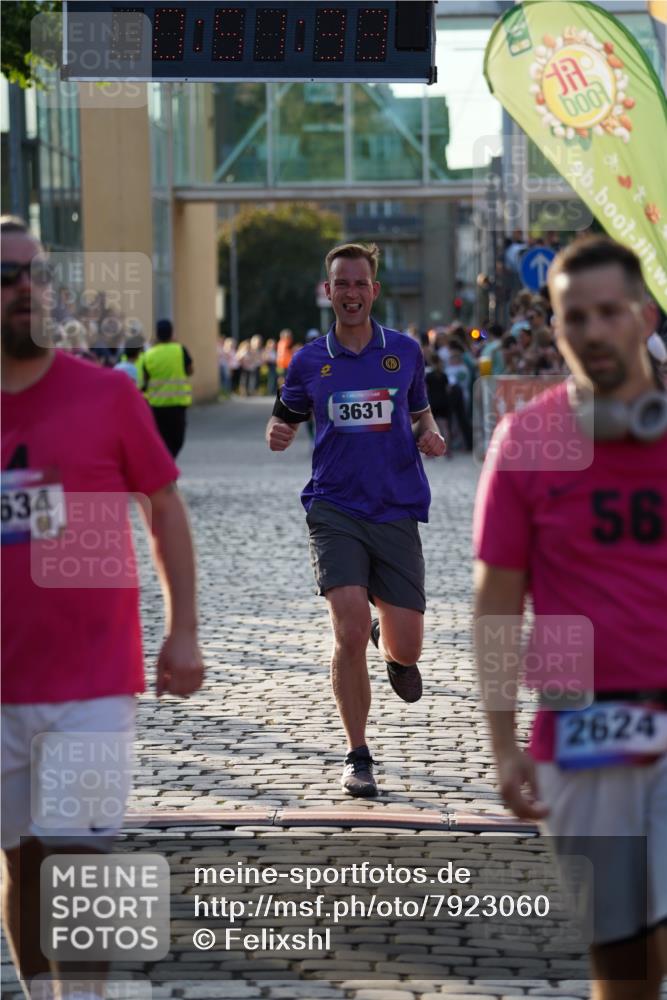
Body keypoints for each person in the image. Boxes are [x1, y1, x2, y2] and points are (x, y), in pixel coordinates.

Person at [1, 216, 205, 999]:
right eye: (7, 276)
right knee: (22, 862)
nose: (26, 289)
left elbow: (164, 507)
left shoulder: (106, 393)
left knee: (78, 864)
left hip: (91, 681)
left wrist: (181, 630)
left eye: (36, 274)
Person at [473, 235, 667, 998]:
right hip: (579, 729)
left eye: (608, 312)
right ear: (553, 330)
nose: (591, 331)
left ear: (643, 315)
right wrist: (500, 743)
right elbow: (495, 601)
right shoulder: (525, 442)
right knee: (620, 971)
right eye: (572, 318)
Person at [265, 242, 445, 798]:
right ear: (329, 291)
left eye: (359, 283)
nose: (350, 292)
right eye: (340, 283)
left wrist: (429, 435)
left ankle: (388, 642)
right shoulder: (308, 360)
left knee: (408, 647)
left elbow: (418, 412)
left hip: (395, 508)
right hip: (334, 507)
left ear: (374, 290)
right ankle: (357, 754)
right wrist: (279, 431)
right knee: (343, 629)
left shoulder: (405, 353)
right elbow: (287, 413)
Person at [141, 318, 193, 458]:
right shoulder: (180, 350)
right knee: (177, 440)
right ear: (172, 333)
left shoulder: (149, 354)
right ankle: (169, 463)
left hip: (157, 405)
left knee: (161, 440)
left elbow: (145, 379)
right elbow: (190, 370)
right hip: (177, 404)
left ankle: (165, 464)